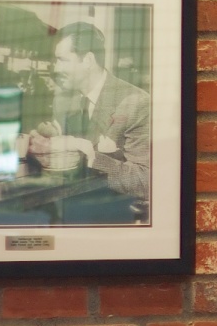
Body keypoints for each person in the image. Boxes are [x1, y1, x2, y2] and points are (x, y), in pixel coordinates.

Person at [25, 22, 152, 216]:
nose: (56, 68)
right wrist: (49, 143)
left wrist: (88, 155)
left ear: (88, 60)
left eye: (62, 60)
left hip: (115, 213)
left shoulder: (136, 102)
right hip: (69, 207)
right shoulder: (63, 100)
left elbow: (145, 181)